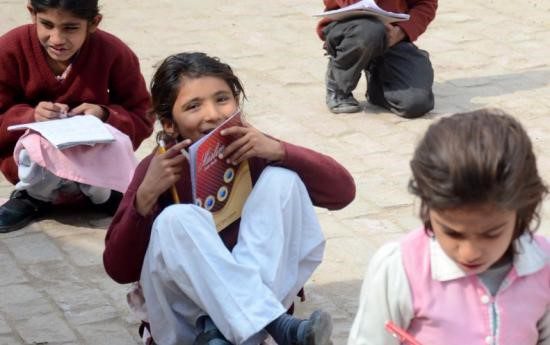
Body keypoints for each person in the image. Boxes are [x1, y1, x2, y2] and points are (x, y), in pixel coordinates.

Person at [103, 52, 356, 345]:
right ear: (169, 123)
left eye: (222, 99)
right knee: (177, 219)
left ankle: (224, 333)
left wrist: (281, 151)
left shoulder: (257, 150)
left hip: (253, 302)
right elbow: (118, 269)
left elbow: (343, 192)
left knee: (283, 181)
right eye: (193, 106)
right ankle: (273, 325)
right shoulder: (158, 169)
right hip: (184, 322)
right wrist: (145, 197)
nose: (212, 114)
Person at [348, 108, 550, 345]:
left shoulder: (543, 266)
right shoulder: (399, 269)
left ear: (522, 212)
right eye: (452, 232)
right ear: (427, 208)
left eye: (492, 233)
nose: (470, 252)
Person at [0, 0, 153, 232]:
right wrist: (30, 116)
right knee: (38, 143)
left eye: (70, 28)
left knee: (111, 139)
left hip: (96, 162)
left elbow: (142, 115)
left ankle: (103, 195)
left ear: (93, 23)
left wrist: (104, 114)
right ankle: (32, 196)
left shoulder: (114, 52)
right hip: (35, 166)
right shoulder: (10, 48)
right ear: (32, 14)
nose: (57, 39)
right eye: (47, 24)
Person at [317, 0, 437, 116]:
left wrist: (401, 31)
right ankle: (338, 87)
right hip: (349, 29)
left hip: (392, 34)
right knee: (369, 31)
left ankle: (377, 83)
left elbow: (425, 4)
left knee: (415, 103)